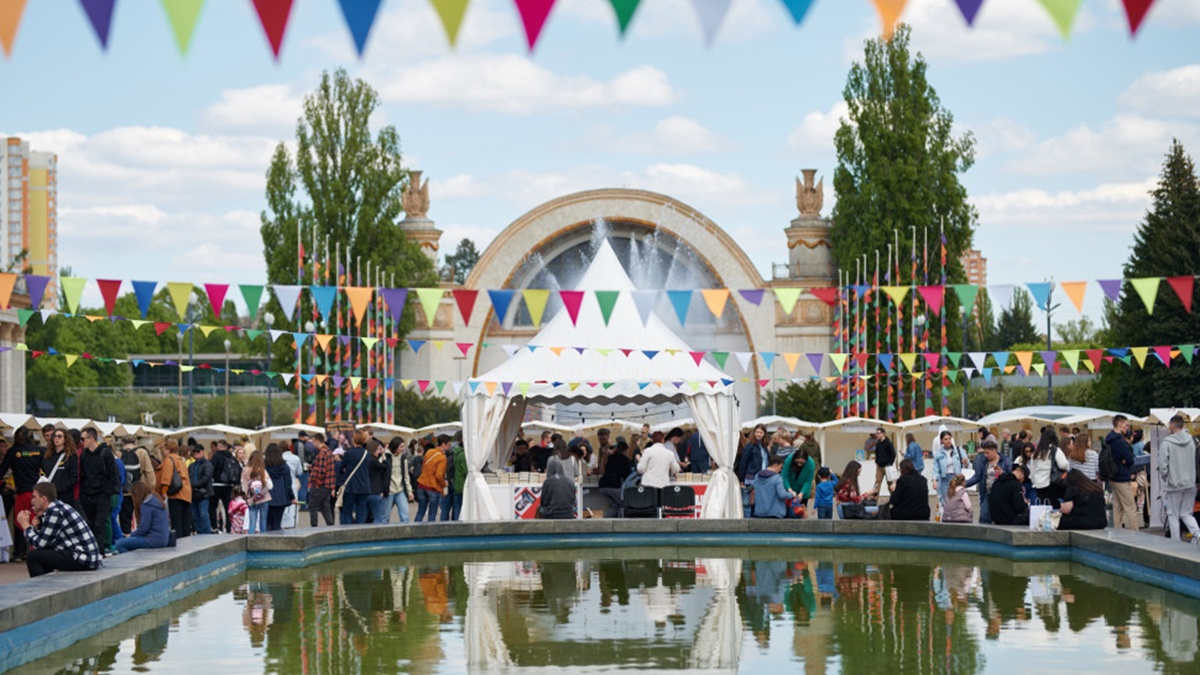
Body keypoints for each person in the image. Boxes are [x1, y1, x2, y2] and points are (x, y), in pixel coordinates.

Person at [17, 482, 103, 577]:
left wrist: (25, 525)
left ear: (43, 499)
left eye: (34, 497)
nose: (32, 501)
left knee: (33, 557)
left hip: (83, 558)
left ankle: (41, 588)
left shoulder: (54, 511)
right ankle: (47, 585)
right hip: (86, 557)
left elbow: (39, 543)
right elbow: (47, 542)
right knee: (43, 553)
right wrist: (36, 528)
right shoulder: (57, 507)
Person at [0, 428, 43, 560]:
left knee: (21, 521)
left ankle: (19, 552)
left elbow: (1, 472)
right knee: (37, 521)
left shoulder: (13, 452)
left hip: (21, 492)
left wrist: (3, 485)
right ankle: (36, 550)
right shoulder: (41, 451)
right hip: (38, 492)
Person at [1158, 415, 1199, 543]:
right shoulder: (1193, 441)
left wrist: (1167, 478)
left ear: (1172, 425)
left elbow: (1162, 466)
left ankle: (1175, 544)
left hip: (1174, 484)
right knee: (1186, 513)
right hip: (1191, 483)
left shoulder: (1167, 443)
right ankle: (1198, 535)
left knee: (1173, 515)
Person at [115, 482, 171, 553]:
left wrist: (131, 535)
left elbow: (144, 528)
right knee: (130, 543)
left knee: (119, 544)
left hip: (153, 540)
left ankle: (131, 562)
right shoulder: (156, 499)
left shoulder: (146, 504)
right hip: (164, 539)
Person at [964, 440, 1011, 524]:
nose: (985, 455)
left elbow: (1011, 476)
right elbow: (977, 476)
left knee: (1001, 518)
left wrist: (1002, 473)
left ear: (994, 450)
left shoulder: (1005, 461)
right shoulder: (984, 462)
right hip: (987, 492)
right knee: (984, 516)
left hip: (1001, 494)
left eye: (987, 453)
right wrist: (964, 484)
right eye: (984, 453)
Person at [1106, 415, 1138, 530]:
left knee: (1117, 507)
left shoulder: (1109, 439)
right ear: (1119, 424)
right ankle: (1136, 533)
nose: (1127, 428)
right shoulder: (1119, 441)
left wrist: (1125, 459)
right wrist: (1125, 460)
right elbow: (1130, 459)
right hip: (1122, 477)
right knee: (1131, 507)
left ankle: (1118, 532)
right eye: (1126, 424)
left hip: (1112, 476)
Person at [156, 442, 192, 539]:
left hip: (176, 494)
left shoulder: (169, 459)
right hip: (186, 493)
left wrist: (163, 491)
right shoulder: (181, 460)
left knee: (176, 523)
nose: (163, 453)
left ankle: (179, 545)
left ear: (168, 450)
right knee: (185, 522)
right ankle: (187, 544)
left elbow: (166, 477)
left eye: (164, 450)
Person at [336, 431, 373, 525]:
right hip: (364, 486)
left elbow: (341, 468)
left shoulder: (349, 453)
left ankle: (348, 531)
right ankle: (360, 531)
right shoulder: (367, 454)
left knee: (347, 511)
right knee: (361, 512)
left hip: (351, 486)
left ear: (354, 440)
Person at [1027, 428, 1069, 508]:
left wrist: (1034, 481)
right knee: (1054, 507)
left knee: (1043, 507)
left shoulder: (1036, 453)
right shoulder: (1055, 450)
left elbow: (1032, 470)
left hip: (1038, 484)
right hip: (1052, 483)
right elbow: (1063, 465)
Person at [42, 428, 80, 510]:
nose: (56, 438)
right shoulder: (48, 455)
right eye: (55, 436)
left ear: (65, 439)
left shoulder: (71, 456)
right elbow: (44, 473)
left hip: (65, 496)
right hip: (50, 496)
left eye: (59, 436)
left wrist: (61, 488)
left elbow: (74, 477)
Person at [736, 424, 769, 517]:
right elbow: (743, 463)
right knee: (747, 503)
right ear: (754, 433)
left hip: (762, 478)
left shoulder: (764, 447)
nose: (758, 434)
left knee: (757, 502)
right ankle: (747, 523)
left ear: (764, 434)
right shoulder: (750, 446)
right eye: (757, 432)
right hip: (750, 478)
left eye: (761, 432)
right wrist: (741, 479)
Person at [415, 435, 449, 522]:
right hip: (433, 487)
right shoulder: (442, 457)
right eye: (448, 444)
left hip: (422, 484)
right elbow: (439, 475)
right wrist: (444, 484)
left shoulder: (429, 452)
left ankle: (414, 531)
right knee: (432, 513)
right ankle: (430, 533)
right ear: (444, 444)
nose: (449, 446)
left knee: (421, 511)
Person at [264, 444, 295, 531]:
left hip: (267, 496)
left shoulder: (264, 467)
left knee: (267, 522)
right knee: (277, 523)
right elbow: (289, 484)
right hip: (282, 497)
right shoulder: (285, 467)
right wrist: (292, 497)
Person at [306, 437, 336, 527]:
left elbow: (321, 471)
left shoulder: (322, 453)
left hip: (319, 484)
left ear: (317, 441)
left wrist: (316, 481)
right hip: (327, 484)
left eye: (313, 442)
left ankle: (314, 527)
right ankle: (330, 526)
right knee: (325, 506)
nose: (312, 444)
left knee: (313, 505)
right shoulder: (328, 451)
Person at [599, 439, 633, 517]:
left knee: (615, 506)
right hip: (613, 486)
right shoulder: (625, 460)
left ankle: (606, 521)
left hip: (602, 485)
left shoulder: (611, 457)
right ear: (626, 450)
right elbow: (627, 475)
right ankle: (620, 523)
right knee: (624, 503)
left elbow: (606, 468)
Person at [241, 450, 272, 535]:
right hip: (264, 498)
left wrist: (248, 496)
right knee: (263, 522)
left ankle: (251, 541)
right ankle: (263, 542)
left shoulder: (245, 470)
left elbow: (244, 486)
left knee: (252, 523)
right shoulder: (262, 470)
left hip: (251, 499)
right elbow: (270, 485)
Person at [932, 430, 967, 503]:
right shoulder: (939, 454)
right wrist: (934, 480)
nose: (948, 441)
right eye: (945, 439)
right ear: (941, 441)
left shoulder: (958, 450)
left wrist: (965, 462)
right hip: (945, 479)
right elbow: (935, 469)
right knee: (945, 501)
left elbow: (968, 464)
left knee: (958, 500)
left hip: (957, 478)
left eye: (949, 439)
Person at [384, 436, 412, 524]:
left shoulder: (403, 458)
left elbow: (406, 476)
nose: (403, 449)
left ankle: (405, 534)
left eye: (403, 446)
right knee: (385, 517)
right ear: (395, 446)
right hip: (389, 491)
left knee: (405, 515)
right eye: (401, 446)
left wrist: (409, 492)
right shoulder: (385, 457)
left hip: (400, 490)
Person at [187, 444, 214, 535]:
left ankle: (207, 534)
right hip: (194, 493)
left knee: (203, 515)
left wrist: (194, 485)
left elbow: (207, 477)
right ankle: (200, 533)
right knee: (195, 516)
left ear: (203, 452)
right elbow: (188, 476)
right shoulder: (191, 465)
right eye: (194, 451)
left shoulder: (207, 464)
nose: (196, 453)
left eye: (198, 451)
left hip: (203, 493)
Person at [781, 447, 815, 517]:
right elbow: (784, 477)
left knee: (801, 512)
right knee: (788, 512)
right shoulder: (789, 460)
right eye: (797, 462)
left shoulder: (811, 463)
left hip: (802, 491)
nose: (799, 464)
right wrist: (789, 489)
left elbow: (808, 481)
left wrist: (802, 493)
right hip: (789, 490)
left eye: (802, 462)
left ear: (805, 460)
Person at [367, 439, 392, 524]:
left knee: (365, 516)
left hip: (367, 491)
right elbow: (386, 467)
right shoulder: (374, 461)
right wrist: (384, 456)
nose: (379, 452)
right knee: (378, 517)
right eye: (378, 449)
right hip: (375, 491)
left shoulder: (367, 460)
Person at [870, 427, 896, 495]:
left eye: (878, 433)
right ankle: (874, 499)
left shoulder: (888, 442)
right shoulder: (878, 443)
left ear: (883, 434)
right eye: (876, 433)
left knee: (890, 482)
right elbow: (877, 453)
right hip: (879, 466)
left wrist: (890, 463)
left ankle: (894, 498)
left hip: (887, 466)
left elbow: (893, 453)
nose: (877, 435)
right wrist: (877, 462)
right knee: (877, 482)